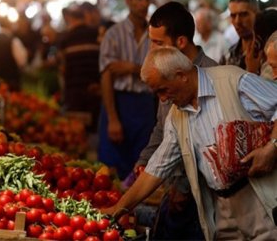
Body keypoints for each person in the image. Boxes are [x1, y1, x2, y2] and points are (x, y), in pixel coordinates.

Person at [102, 46, 277, 240]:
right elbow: (157, 168)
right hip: (221, 207)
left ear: (181, 75)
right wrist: (120, 208)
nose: (163, 99)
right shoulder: (176, 117)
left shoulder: (232, 80)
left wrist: (272, 147)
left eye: (163, 90)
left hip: (258, 197)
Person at [131, 1, 217, 240]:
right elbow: (162, 127)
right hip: (173, 186)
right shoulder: (165, 70)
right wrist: (145, 160)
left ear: (180, 42)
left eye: (158, 43)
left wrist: (183, 186)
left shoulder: (211, 75)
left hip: (204, 197)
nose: (152, 49)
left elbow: (210, 145)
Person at [98, 0, 156, 180]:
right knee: (113, 169)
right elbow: (106, 77)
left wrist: (131, 68)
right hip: (118, 103)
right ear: (129, 0)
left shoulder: (155, 36)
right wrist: (113, 118)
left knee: (142, 166)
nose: (143, 3)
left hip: (146, 105)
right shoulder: (113, 34)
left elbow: (158, 75)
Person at [226, 0, 259, 72]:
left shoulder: (267, 52)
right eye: (233, 16)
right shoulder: (229, 55)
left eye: (244, 15)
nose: (237, 21)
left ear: (257, 14)